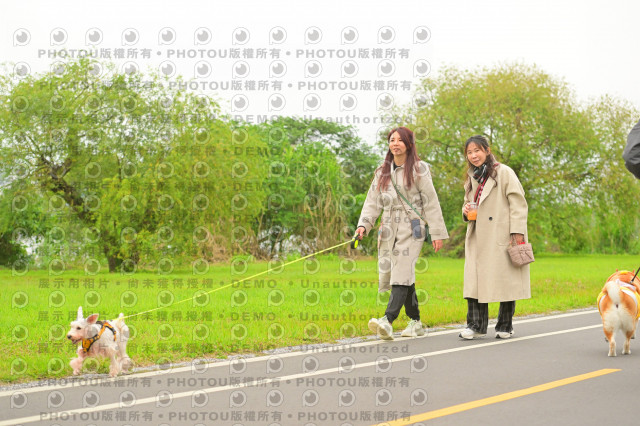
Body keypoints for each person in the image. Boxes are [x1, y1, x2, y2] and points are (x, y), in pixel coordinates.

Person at [355, 127, 449, 340]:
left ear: (409, 144)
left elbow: (431, 202)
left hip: (413, 226)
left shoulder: (419, 169)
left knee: (401, 270)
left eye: (400, 140)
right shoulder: (382, 171)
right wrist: (363, 226)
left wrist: (437, 233)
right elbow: (372, 202)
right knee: (402, 273)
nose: (395, 143)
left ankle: (387, 320)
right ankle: (416, 322)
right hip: (388, 227)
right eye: (392, 140)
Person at [460, 135, 530, 339]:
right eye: (469, 152)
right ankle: (475, 325)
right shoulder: (471, 176)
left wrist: (517, 232)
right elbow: (468, 202)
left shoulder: (504, 172)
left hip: (501, 234)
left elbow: (518, 203)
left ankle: (505, 325)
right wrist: (465, 210)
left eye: (477, 150)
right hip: (478, 235)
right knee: (474, 280)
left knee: (505, 280)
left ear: (487, 151)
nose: (474, 155)